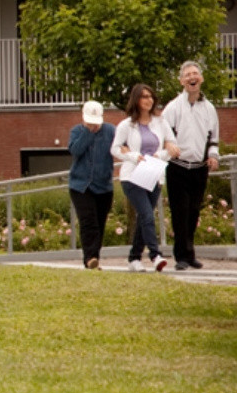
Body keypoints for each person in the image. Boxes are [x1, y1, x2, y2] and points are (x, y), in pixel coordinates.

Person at [111, 83, 175, 273]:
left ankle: (134, 258)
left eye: (150, 96)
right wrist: (132, 155)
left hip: (154, 175)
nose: (148, 100)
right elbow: (115, 148)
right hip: (132, 177)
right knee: (147, 215)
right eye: (144, 97)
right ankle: (155, 255)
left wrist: (159, 156)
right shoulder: (126, 125)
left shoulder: (160, 122)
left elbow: (171, 147)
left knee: (143, 219)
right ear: (136, 100)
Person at [162, 60, 220, 270]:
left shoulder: (209, 108)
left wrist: (213, 155)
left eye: (195, 74)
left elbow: (213, 137)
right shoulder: (173, 108)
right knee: (180, 212)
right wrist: (170, 145)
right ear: (181, 81)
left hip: (199, 168)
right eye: (187, 75)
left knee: (194, 211)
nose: (192, 77)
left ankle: (190, 253)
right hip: (178, 167)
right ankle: (181, 257)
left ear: (201, 79)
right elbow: (164, 134)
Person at [67, 100, 116, 269]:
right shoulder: (77, 131)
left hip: (104, 186)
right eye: (90, 122)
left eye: (96, 122)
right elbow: (75, 150)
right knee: (88, 221)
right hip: (81, 186)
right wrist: (87, 132)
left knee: (100, 222)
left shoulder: (110, 131)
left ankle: (94, 257)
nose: (94, 125)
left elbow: (119, 147)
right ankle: (90, 258)